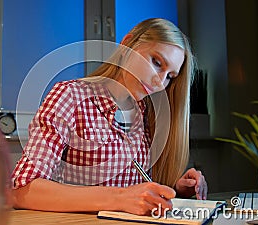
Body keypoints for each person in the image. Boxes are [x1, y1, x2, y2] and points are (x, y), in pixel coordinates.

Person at [11, 18, 207, 216]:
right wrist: (119, 198)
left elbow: (137, 192)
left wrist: (175, 188)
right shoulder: (70, 96)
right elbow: (22, 190)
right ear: (127, 44)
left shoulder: (149, 116)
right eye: (156, 62)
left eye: (169, 77)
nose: (159, 81)